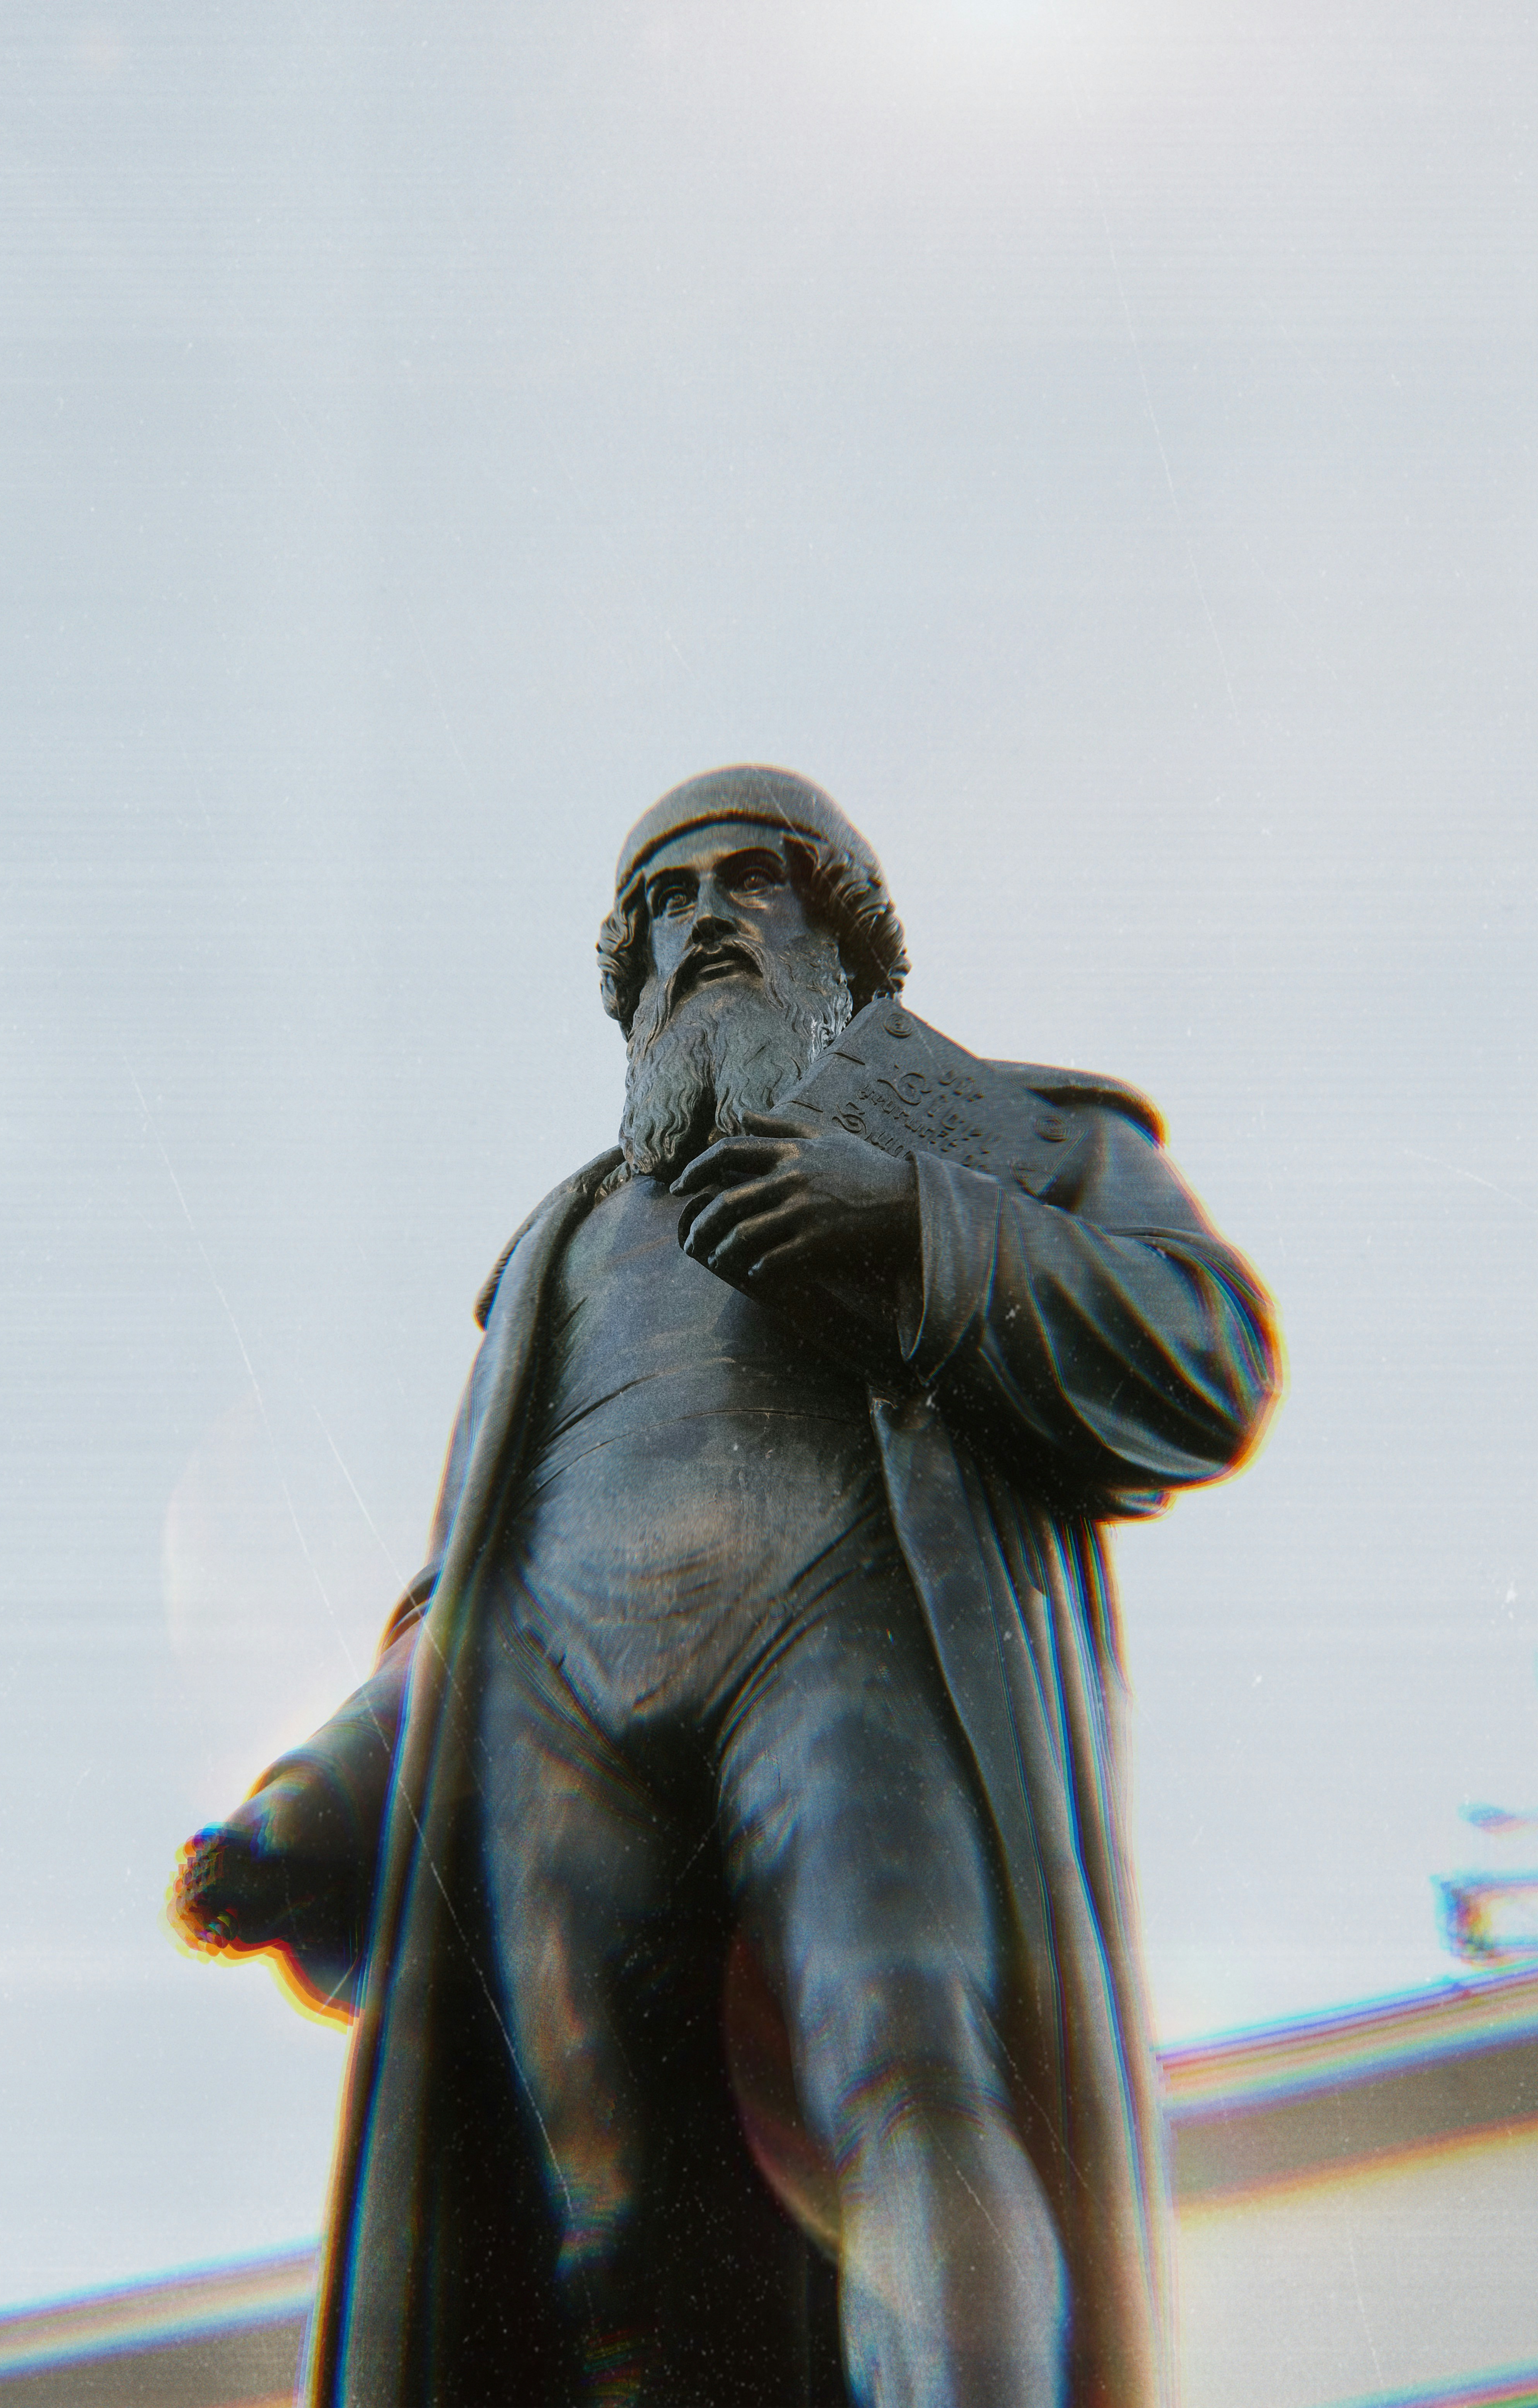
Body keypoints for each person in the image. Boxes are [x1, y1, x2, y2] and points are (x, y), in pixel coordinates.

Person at [172, 766, 1279, 2408]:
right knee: (597, 2222)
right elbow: (463, 1595)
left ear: (840, 931)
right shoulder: (556, 1249)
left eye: (748, 883)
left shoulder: (978, 1120)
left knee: (907, 2060)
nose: (701, 924)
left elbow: (1204, 1346)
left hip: (846, 1638)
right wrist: (319, 1794)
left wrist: (914, 1223)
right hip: (557, 1701)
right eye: (664, 904)